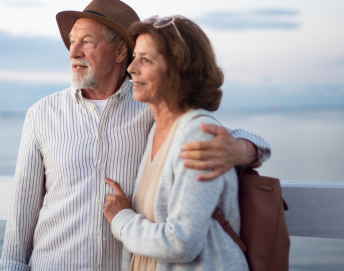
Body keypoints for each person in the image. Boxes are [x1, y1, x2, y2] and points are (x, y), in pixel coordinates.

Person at [0, 0, 269, 271]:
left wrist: (244, 149)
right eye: (71, 41)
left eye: (87, 41)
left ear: (119, 53)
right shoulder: (41, 114)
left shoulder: (153, 108)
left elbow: (212, 132)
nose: (73, 51)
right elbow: (22, 212)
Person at [103, 15, 248, 270]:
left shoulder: (197, 134)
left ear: (178, 69)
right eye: (134, 56)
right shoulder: (156, 128)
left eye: (145, 60)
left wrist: (122, 221)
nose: (131, 67)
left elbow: (181, 242)